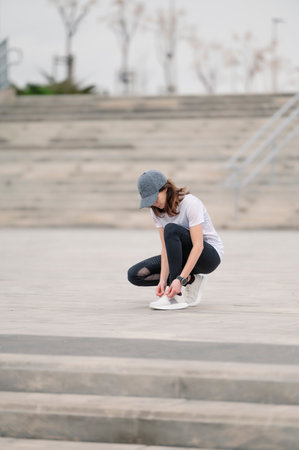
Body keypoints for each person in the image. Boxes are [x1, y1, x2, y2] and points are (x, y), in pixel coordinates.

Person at [128, 170, 224, 310]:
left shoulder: (190, 203)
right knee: (135, 274)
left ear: (166, 189)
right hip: (180, 256)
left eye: (155, 197)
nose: (153, 203)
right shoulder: (155, 211)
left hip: (208, 256)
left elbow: (198, 245)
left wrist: (179, 280)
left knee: (171, 229)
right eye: (149, 201)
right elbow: (166, 249)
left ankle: (174, 297)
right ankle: (192, 280)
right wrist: (162, 280)